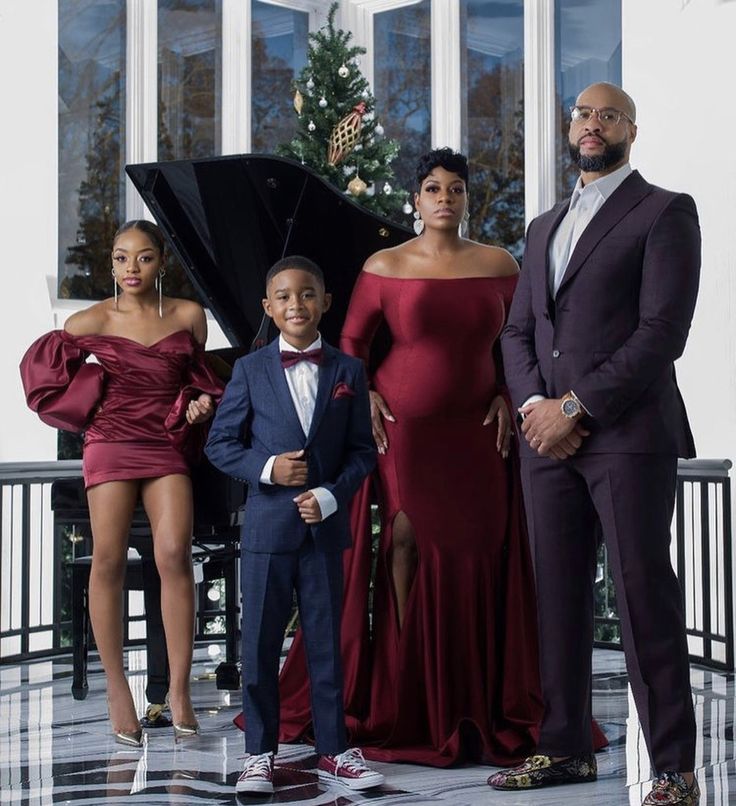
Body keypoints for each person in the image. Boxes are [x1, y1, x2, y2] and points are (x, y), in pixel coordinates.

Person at [277, 148, 564, 766]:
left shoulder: (499, 263)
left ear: (466, 199)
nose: (444, 198)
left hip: (478, 433)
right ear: (415, 199)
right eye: (432, 188)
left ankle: (474, 690)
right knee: (405, 540)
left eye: (455, 189)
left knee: (482, 550)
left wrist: (511, 397)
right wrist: (367, 398)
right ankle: (411, 688)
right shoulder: (384, 264)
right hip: (402, 430)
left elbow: (524, 342)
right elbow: (350, 343)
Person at [493, 83, 700, 806]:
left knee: (644, 597)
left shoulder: (665, 211)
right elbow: (518, 332)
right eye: (582, 113)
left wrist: (575, 407)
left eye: (608, 114)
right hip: (544, 443)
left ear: (630, 132)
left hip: (628, 438)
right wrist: (533, 409)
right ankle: (565, 747)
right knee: (558, 597)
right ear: (569, 125)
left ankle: (674, 768)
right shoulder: (543, 226)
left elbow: (661, 335)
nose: (592, 123)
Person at [20, 220, 224, 746]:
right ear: (111, 264)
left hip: (164, 443)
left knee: (175, 554)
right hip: (109, 440)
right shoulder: (91, 319)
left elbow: (199, 381)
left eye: (143, 258)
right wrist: (84, 398)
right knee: (107, 558)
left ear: (162, 262)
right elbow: (40, 368)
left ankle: (178, 689)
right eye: (120, 258)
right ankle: (117, 688)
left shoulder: (188, 315)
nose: (131, 269)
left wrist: (200, 403)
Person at [204, 256, 384, 796]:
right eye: (283, 296)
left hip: (323, 532)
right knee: (258, 645)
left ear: (325, 301)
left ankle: (335, 749)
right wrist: (268, 469)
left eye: (307, 294)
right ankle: (259, 753)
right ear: (269, 308)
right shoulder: (250, 369)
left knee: (329, 643)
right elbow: (219, 444)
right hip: (265, 532)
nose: (296, 305)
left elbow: (362, 453)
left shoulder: (350, 371)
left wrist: (331, 495)